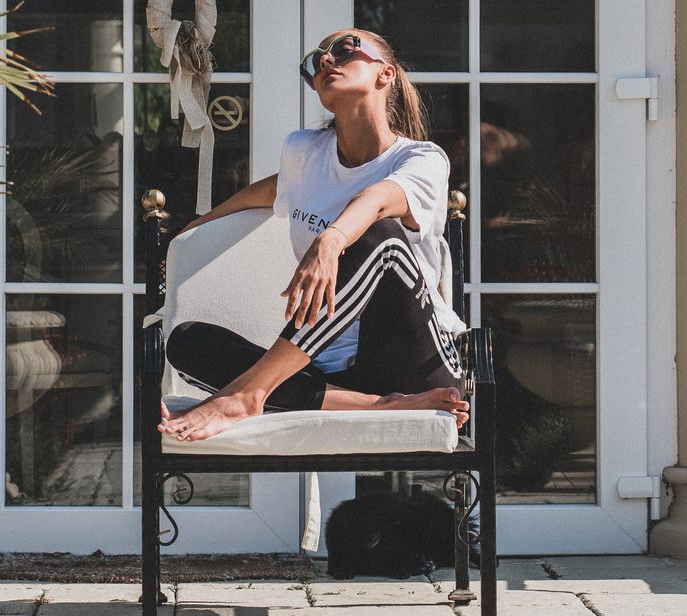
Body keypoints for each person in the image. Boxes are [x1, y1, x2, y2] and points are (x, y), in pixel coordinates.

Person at [159, 29, 469, 443]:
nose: (325, 61)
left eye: (343, 50)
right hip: (331, 371)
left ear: (386, 74)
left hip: (415, 361)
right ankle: (379, 404)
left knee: (381, 236)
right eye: (314, 61)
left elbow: (378, 199)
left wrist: (331, 240)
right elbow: (269, 190)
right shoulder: (305, 153)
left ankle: (251, 393)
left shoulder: (421, 159)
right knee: (187, 341)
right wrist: (191, 230)